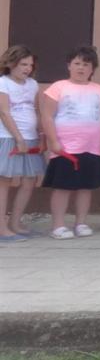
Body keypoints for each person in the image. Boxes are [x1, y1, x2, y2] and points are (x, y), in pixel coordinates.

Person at [39, 46, 100, 239]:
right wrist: (53, 141)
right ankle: (58, 225)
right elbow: (47, 116)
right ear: (69, 66)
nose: (81, 68)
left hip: (92, 147)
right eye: (77, 63)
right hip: (65, 148)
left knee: (86, 187)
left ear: (93, 68)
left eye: (86, 64)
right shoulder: (58, 87)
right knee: (63, 187)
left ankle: (81, 222)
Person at [0, 45, 42, 241]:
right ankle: (1, 228)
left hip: (30, 137)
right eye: (23, 64)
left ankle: (15, 223)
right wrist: (18, 138)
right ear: (11, 64)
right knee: (4, 181)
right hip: (9, 138)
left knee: (29, 179)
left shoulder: (32, 84)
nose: (27, 68)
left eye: (30, 65)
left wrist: (40, 134)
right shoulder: (3, 83)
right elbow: (4, 112)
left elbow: (36, 110)